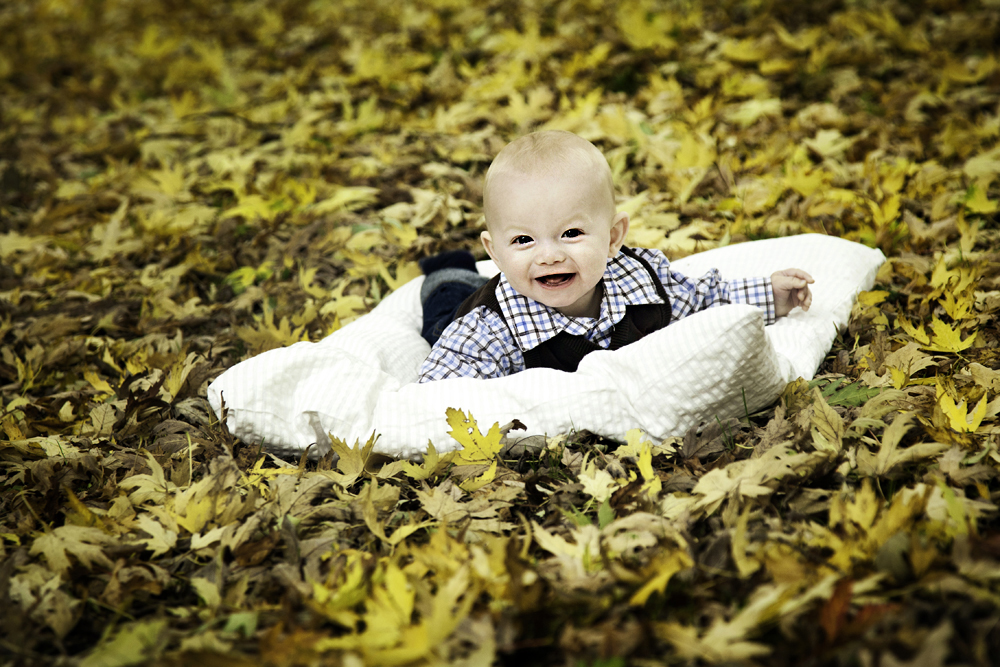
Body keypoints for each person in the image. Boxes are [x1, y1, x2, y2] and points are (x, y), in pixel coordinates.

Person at [416, 130, 813, 382]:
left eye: (571, 234)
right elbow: (436, 392)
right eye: (523, 240)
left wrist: (771, 294)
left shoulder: (641, 281)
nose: (549, 256)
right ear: (495, 252)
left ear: (612, 238)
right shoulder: (485, 329)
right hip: (458, 318)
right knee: (444, 306)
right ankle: (449, 270)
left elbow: (707, 298)